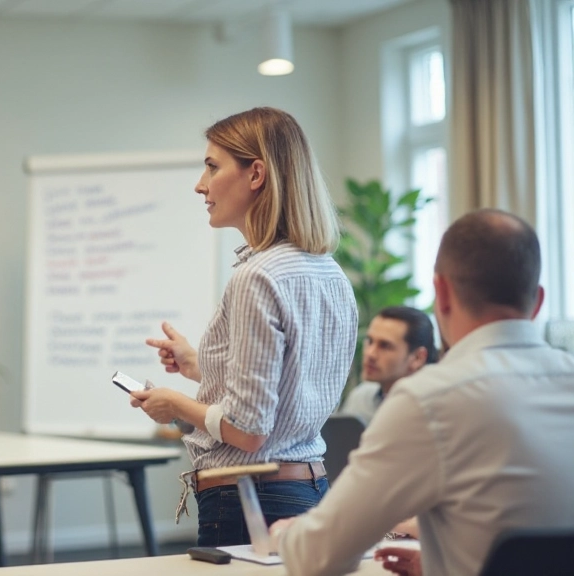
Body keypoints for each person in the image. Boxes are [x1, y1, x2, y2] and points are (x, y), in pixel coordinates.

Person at [271, 209, 574, 576]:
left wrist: (286, 535)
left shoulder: (430, 400)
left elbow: (320, 557)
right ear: (537, 301)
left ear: (441, 294)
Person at [131, 107, 357, 547]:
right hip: (308, 490)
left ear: (256, 174)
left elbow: (248, 432)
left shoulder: (258, 276)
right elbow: (287, 385)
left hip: (250, 498)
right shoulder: (328, 271)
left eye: (212, 167)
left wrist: (174, 402)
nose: (201, 185)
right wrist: (200, 365)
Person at [340, 306, 439, 424]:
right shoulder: (359, 399)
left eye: (385, 346)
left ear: (417, 358)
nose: (370, 354)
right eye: (370, 341)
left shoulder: (433, 411)